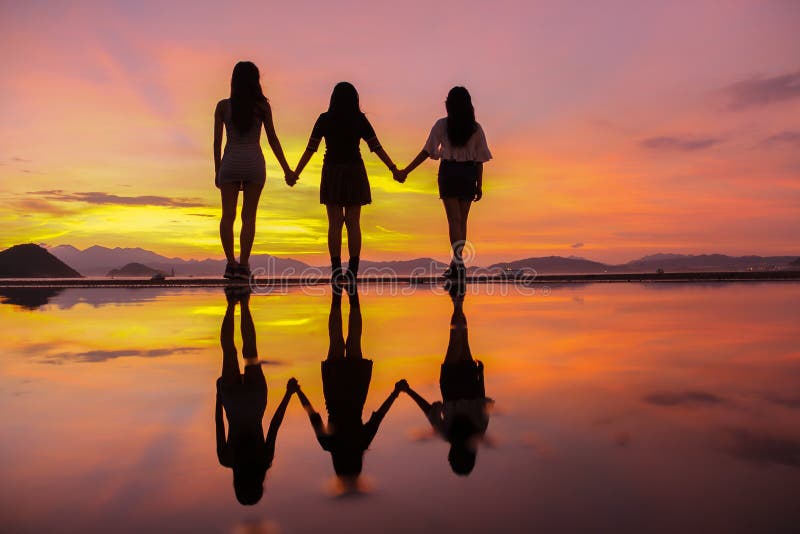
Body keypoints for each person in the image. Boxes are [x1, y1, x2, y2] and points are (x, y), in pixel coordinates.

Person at [293, 287, 404, 493]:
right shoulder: (330, 446)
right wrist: (297, 391)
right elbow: (313, 416)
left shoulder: (361, 443)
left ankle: (351, 295)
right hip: (335, 393)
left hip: (356, 390)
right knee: (336, 340)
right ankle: (337, 295)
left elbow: (379, 415)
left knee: (353, 339)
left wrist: (396, 392)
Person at [290, 82, 403, 283]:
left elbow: (310, 149)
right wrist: (393, 169)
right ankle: (352, 270)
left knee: (334, 223)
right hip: (354, 171)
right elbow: (376, 147)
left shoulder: (325, 119)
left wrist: (295, 173)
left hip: (332, 171)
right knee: (353, 222)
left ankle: (336, 270)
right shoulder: (359, 119)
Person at [397, 281, 493, 475]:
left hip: (454, 383)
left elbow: (430, 411)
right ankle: (457, 300)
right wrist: (481, 375)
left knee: (457, 338)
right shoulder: (473, 433)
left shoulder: (449, 433)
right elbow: (481, 402)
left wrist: (408, 391)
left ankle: (458, 301)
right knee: (462, 336)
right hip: (462, 382)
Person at [396, 87, 492, 278]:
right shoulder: (476, 128)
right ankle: (458, 264)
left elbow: (426, 151)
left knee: (454, 221)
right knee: (462, 221)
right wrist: (479, 185)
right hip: (468, 173)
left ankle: (457, 264)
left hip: (449, 172)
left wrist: (406, 170)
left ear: (449, 105)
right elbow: (480, 160)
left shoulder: (442, 125)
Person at [213, 61, 296, 280]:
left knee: (228, 215)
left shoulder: (223, 106)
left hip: (230, 163)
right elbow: (273, 140)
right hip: (254, 164)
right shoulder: (261, 106)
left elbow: (216, 143)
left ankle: (230, 264)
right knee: (248, 217)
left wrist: (217, 170)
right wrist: (288, 170)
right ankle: (244, 265)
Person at [215, 286, 298, 505]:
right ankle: (231, 305)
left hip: (254, 401)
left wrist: (289, 394)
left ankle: (243, 302)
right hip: (233, 402)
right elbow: (218, 423)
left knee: (250, 350)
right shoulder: (226, 459)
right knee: (229, 350)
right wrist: (219, 396)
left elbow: (275, 424)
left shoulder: (265, 460)